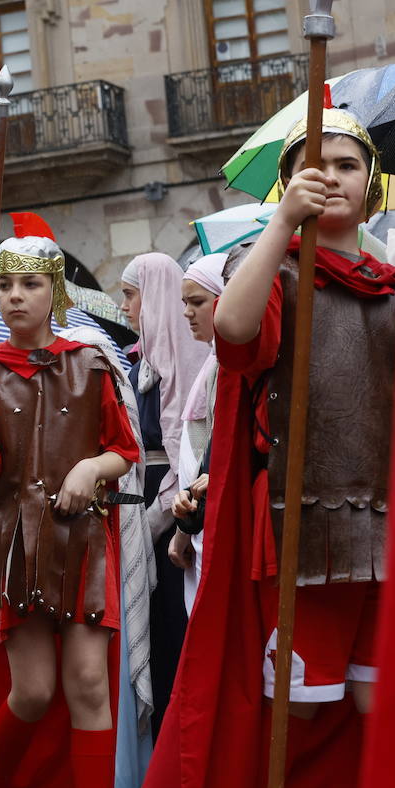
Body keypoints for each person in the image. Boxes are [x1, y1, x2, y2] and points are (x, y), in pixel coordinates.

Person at [137, 107, 395, 788]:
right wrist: (283, 226)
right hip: (298, 525)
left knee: (379, 708)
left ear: (375, 182)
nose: (332, 176)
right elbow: (233, 326)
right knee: (298, 709)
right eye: (311, 166)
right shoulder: (281, 273)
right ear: (287, 184)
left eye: (349, 163)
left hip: (389, 531)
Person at [0, 215, 139, 788]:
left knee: (89, 683)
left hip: (82, 539)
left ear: (54, 290)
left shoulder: (90, 362)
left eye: (29, 283)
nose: (14, 296)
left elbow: (126, 451)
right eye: (4, 286)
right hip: (11, 545)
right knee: (30, 691)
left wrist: (91, 470)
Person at [118, 251, 211, 735]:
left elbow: (186, 443)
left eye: (131, 294)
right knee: (151, 626)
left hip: (179, 501)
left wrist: (166, 515)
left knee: (175, 619)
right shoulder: (138, 362)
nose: (126, 305)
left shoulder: (193, 359)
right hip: (143, 495)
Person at [167, 253, 228, 612]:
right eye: (184, 303)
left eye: (198, 302)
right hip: (199, 516)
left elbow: (216, 452)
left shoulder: (228, 367)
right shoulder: (213, 362)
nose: (187, 313)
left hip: (216, 520)